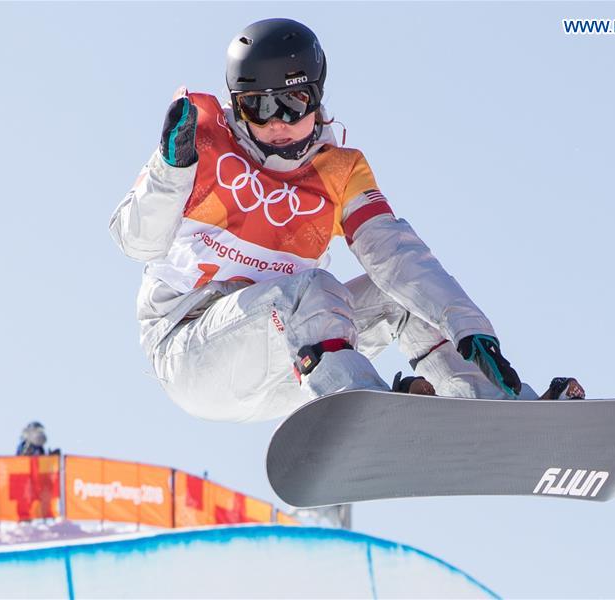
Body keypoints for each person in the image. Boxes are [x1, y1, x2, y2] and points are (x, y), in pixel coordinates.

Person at [109, 18, 584, 423]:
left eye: (291, 103)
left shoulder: (338, 173)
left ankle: (504, 411)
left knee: (399, 299)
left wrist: (467, 325)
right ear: (237, 106)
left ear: (315, 98)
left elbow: (397, 256)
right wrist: (171, 170)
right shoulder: (203, 144)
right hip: (191, 349)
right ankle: (369, 415)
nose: (276, 123)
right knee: (310, 287)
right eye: (259, 106)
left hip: (293, 360)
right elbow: (137, 242)